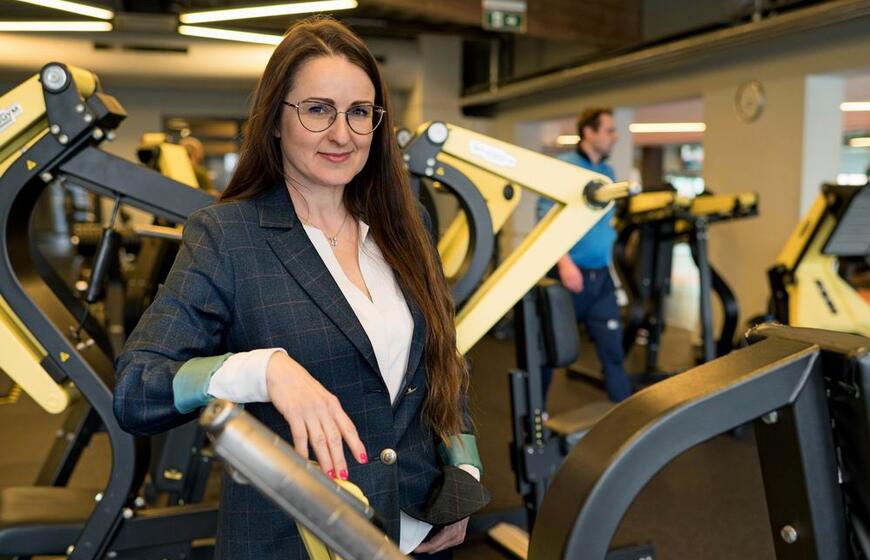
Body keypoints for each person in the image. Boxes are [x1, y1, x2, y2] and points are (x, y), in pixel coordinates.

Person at [114, 17, 482, 559]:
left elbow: (442, 363)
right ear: (275, 121)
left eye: (360, 112)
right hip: (294, 541)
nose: (342, 134)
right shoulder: (228, 235)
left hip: (417, 533)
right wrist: (263, 370)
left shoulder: (406, 227)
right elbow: (136, 389)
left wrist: (464, 473)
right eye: (317, 109)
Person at [536, 107, 632, 403]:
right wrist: (565, 264)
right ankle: (536, 416)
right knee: (549, 350)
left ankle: (626, 414)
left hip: (600, 278)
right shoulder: (565, 167)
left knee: (613, 351)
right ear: (589, 132)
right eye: (609, 130)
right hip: (568, 276)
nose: (616, 136)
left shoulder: (608, 173)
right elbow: (546, 219)